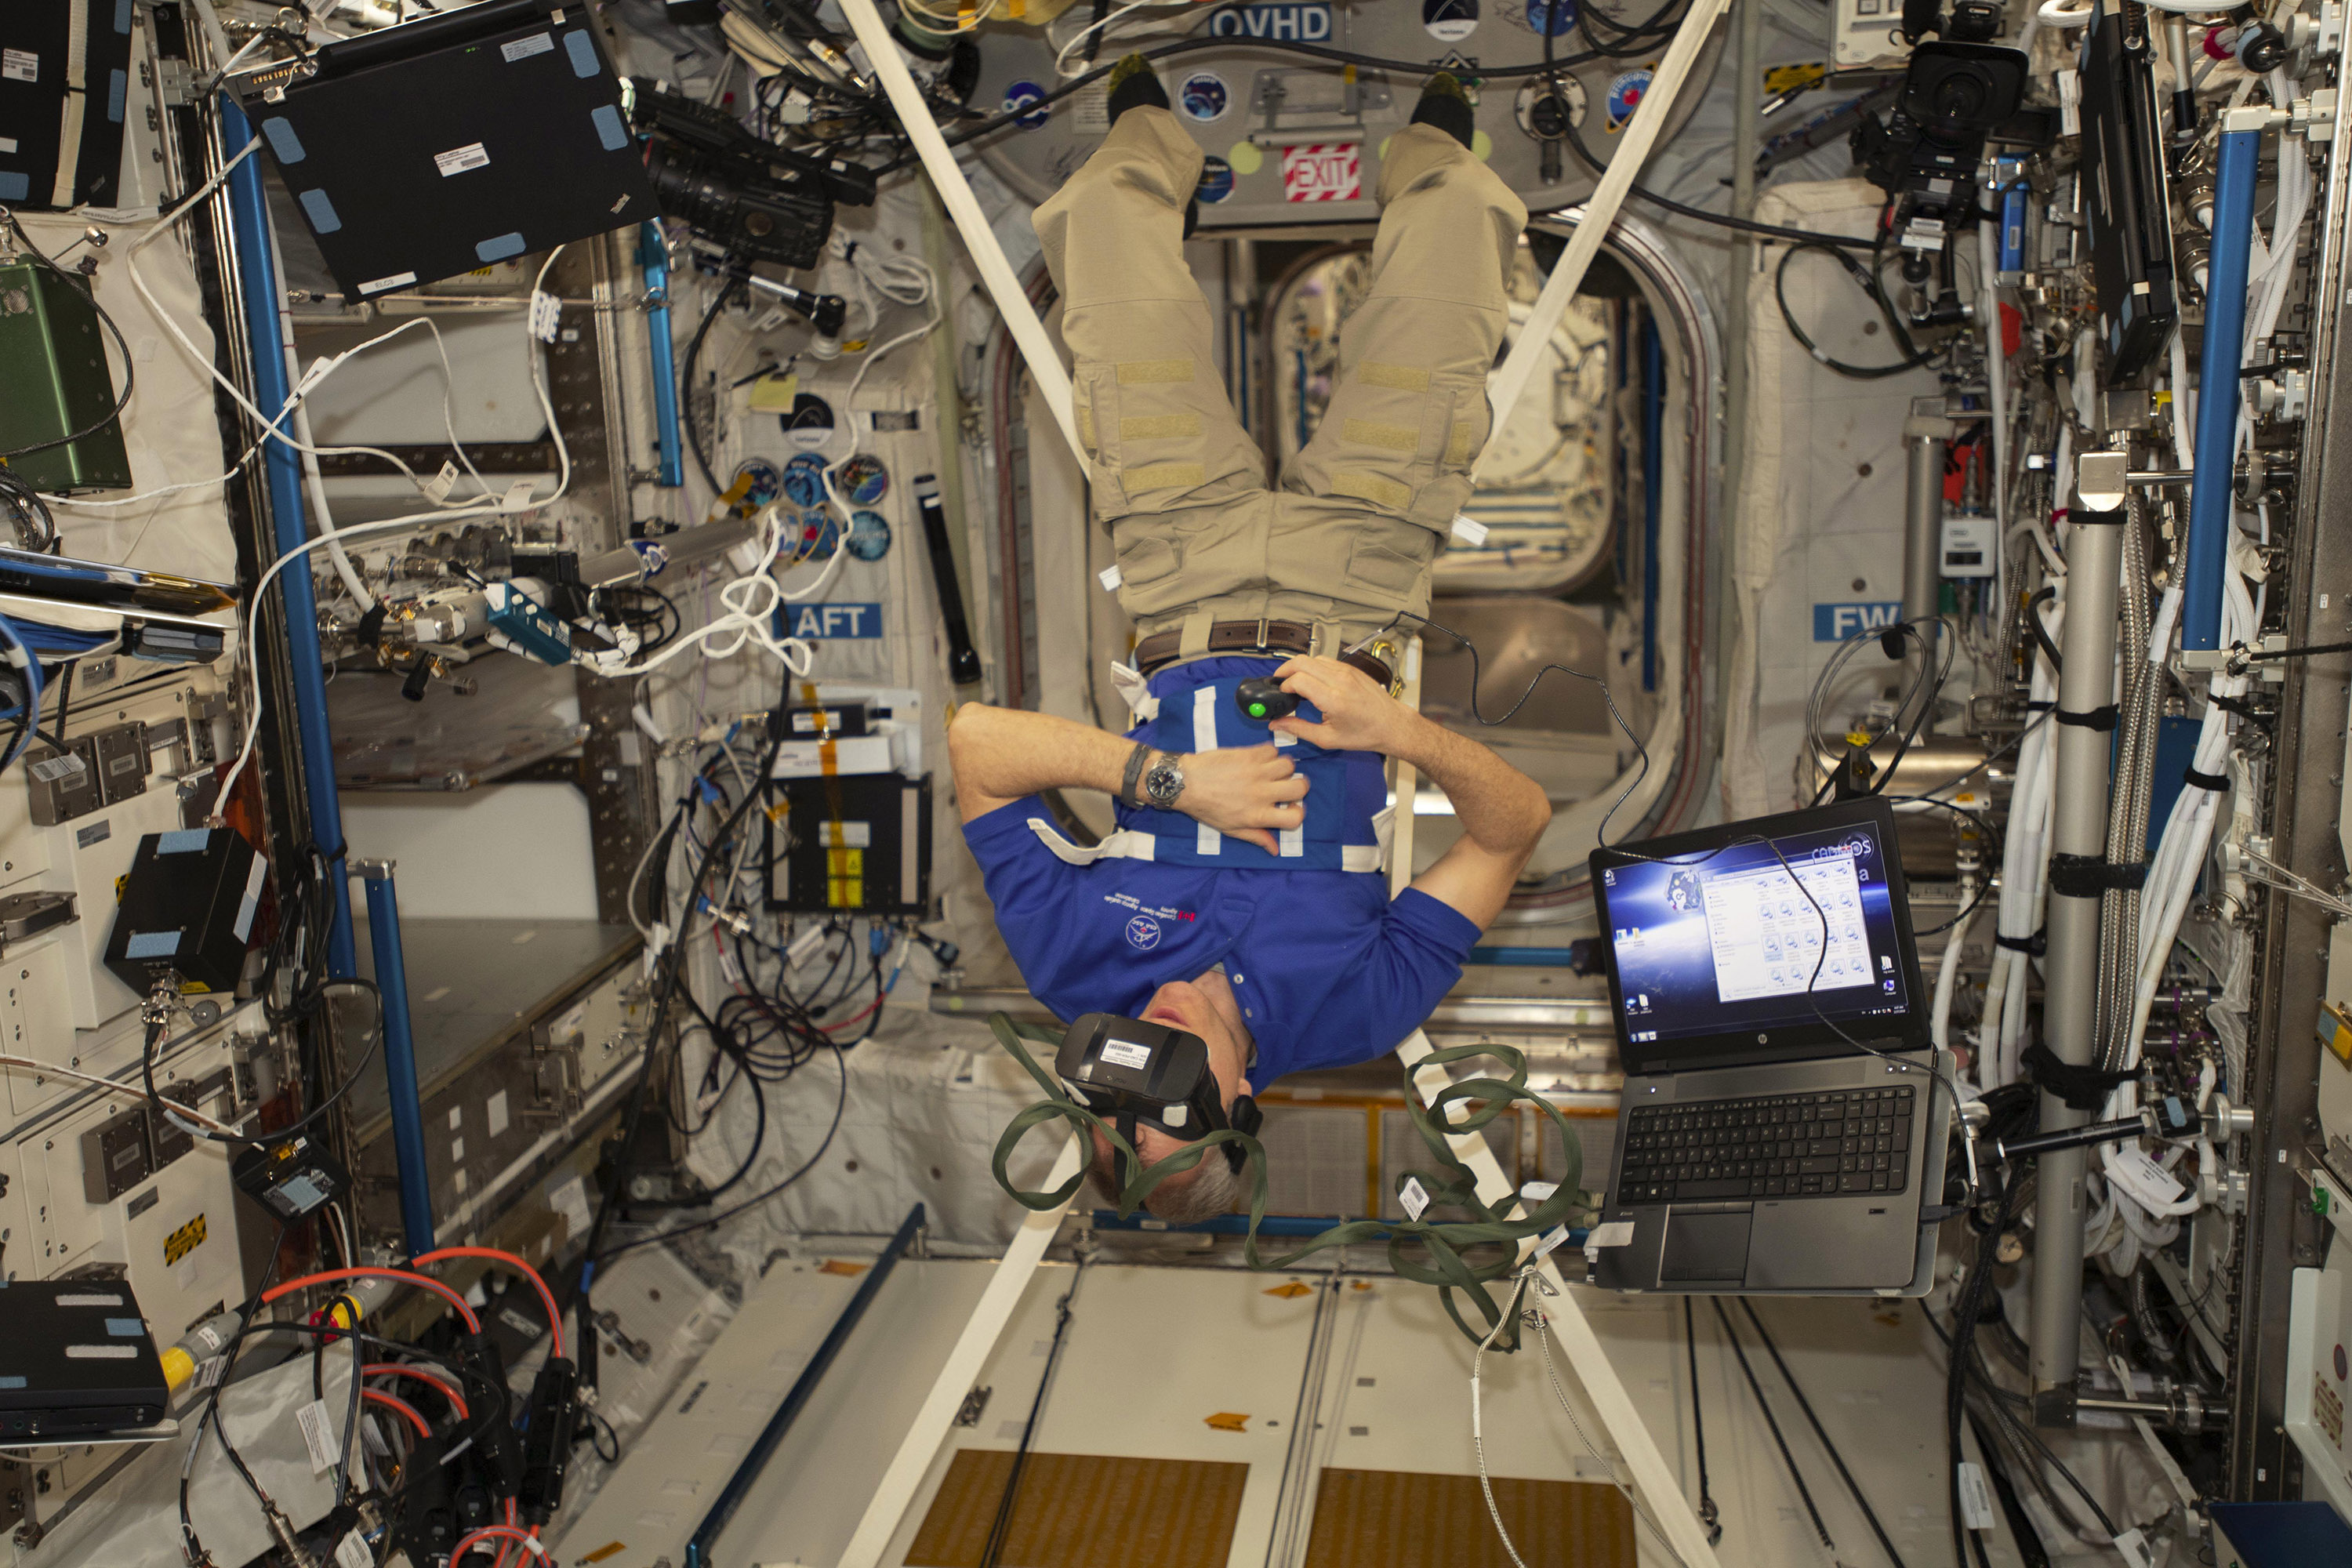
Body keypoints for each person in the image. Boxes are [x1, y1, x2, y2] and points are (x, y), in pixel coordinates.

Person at [949, 62, 1548, 1222]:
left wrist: (1167, 781)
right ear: (1240, 1097)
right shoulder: (1356, 1010)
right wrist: (1393, 731)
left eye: (1114, 1089)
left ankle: (1151, 127)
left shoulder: (1074, 969)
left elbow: (977, 745)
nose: (1146, 1047)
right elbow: (1516, 827)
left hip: (1183, 574)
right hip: (1363, 587)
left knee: (1107, 249)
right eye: (1168, 1093)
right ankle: (1433, 147)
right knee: (1451, 272)